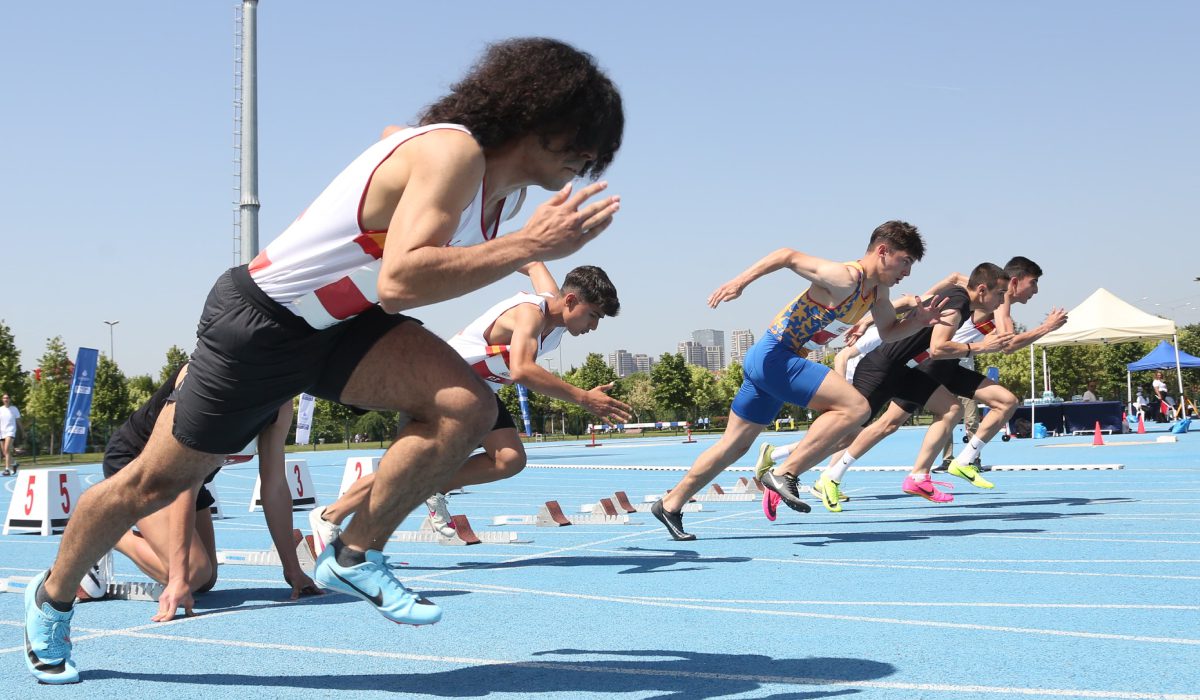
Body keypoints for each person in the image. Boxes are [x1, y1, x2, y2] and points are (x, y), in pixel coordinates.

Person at [24, 37, 624, 684]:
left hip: (345, 328)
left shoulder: (496, 194)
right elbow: (400, 280)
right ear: (536, 113)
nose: (588, 163)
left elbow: (398, 165)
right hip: (261, 325)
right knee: (155, 483)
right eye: (584, 143)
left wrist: (519, 242)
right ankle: (53, 596)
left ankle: (356, 550)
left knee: (467, 406)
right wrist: (525, 246)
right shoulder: (454, 152)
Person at [650, 221, 947, 541]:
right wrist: (740, 282)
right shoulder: (845, 277)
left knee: (733, 447)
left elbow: (889, 331)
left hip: (773, 362)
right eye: (905, 262)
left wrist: (916, 322)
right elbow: (787, 255)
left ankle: (670, 504)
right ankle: (784, 472)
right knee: (856, 408)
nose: (907, 272)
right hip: (776, 357)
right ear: (883, 252)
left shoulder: (876, 292)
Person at [308, 263, 630, 546]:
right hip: (440, 386)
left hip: (479, 392)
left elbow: (532, 261)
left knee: (510, 458)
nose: (594, 326)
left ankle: (437, 486)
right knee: (408, 469)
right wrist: (584, 397)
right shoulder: (531, 315)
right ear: (571, 301)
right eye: (593, 315)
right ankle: (329, 515)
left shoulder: (556, 308)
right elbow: (522, 369)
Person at [78, 364, 320, 620]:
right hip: (141, 467)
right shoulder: (212, 384)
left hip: (189, 477)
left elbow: (275, 485)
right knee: (192, 573)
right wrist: (178, 579)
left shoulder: (280, 403)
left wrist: (292, 569)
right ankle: (104, 532)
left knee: (205, 581)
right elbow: (184, 481)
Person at [0, 393, 22, 476]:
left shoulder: (14, 409)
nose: (6, 399)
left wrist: (22, 431)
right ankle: (15, 463)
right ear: (2, 400)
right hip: (2, 432)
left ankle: (7, 469)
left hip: (11, 431)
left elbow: (18, 421)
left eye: (7, 398)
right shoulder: (0, 409)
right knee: (5, 453)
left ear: (10, 399)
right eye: (4, 398)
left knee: (6, 449)